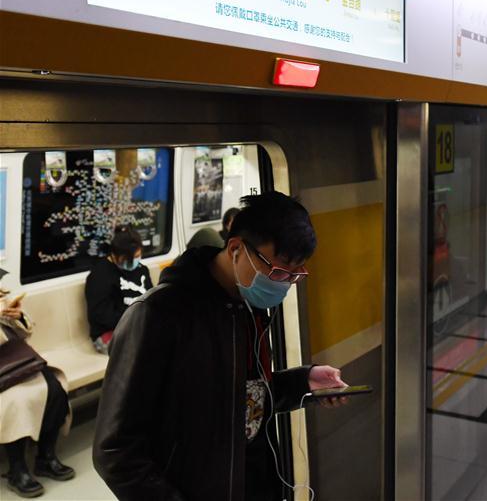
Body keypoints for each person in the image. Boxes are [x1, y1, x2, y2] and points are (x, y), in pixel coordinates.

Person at [93, 192, 347, 501]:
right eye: (279, 272)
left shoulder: (248, 307)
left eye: (296, 275)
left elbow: (240, 398)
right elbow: (115, 450)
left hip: (252, 481)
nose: (284, 283)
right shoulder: (157, 316)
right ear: (237, 249)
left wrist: (301, 382)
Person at [1, 290, 75, 498]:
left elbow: (26, 333)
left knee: (55, 390)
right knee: (17, 401)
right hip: (5, 371)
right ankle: (17, 469)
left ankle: (45, 456)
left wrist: (16, 317)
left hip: (17, 362)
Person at [85, 226, 153, 355]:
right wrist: (137, 321)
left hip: (139, 325)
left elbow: (151, 299)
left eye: (137, 256)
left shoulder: (142, 270)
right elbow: (101, 315)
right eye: (126, 260)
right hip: (111, 332)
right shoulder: (100, 275)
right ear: (114, 255)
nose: (133, 262)